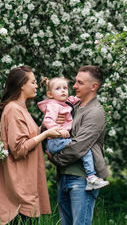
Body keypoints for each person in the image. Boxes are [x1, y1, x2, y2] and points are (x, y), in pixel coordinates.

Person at [0, 65, 62, 225]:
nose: (36, 86)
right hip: (19, 189)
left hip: (26, 184)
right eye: (33, 82)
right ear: (22, 85)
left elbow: (28, 136)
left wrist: (45, 128)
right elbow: (19, 149)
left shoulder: (21, 108)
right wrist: (45, 134)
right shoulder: (13, 109)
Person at [47, 65, 110, 225]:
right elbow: (51, 128)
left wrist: (55, 159)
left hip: (82, 180)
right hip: (64, 177)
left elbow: (78, 147)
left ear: (93, 86)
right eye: (75, 82)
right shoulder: (70, 106)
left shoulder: (95, 112)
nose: (74, 86)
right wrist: (46, 128)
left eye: (80, 83)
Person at [38, 77, 109, 191]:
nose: (63, 91)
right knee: (85, 150)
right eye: (58, 88)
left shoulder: (66, 102)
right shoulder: (53, 105)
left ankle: (91, 177)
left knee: (82, 149)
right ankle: (91, 177)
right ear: (50, 94)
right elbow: (47, 120)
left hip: (58, 141)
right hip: (56, 140)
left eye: (65, 88)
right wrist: (58, 130)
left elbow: (76, 99)